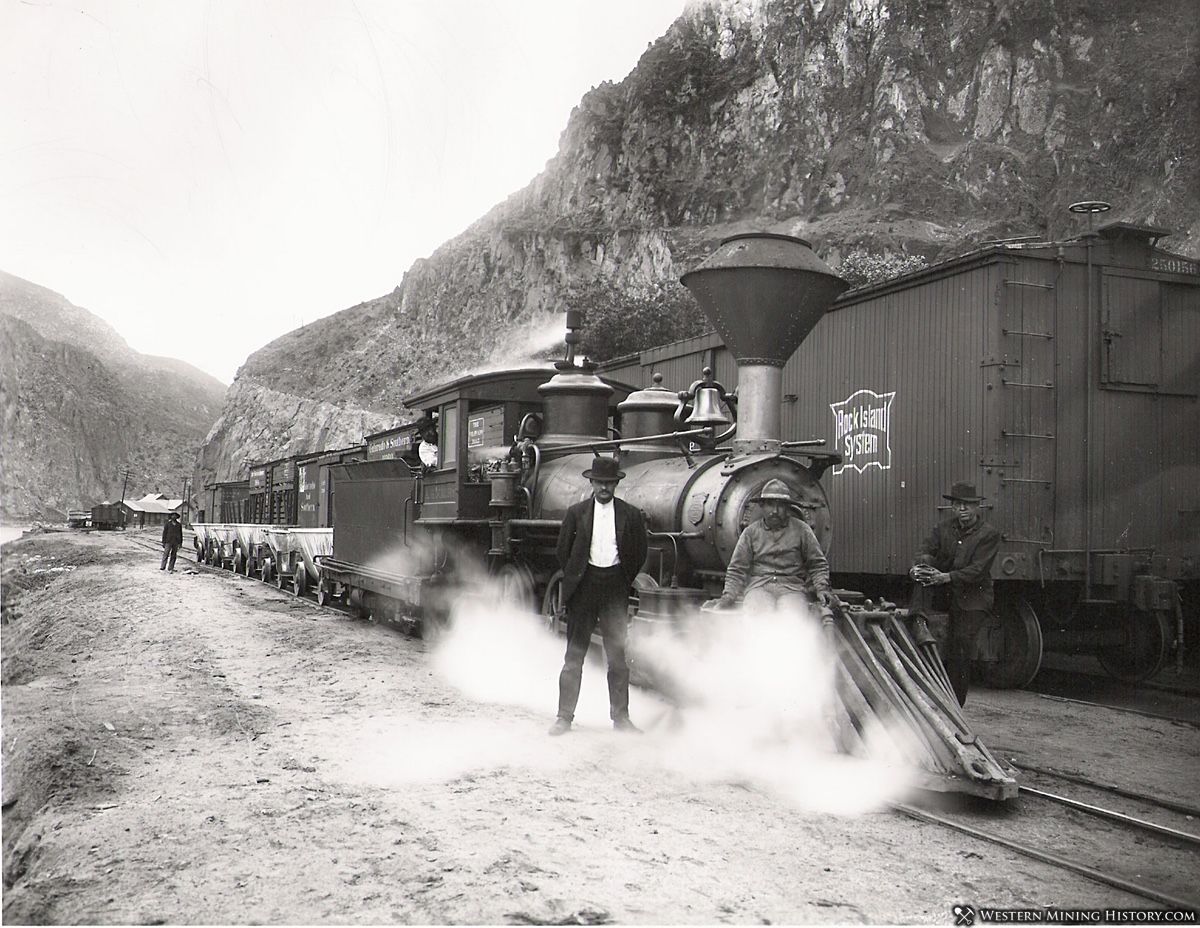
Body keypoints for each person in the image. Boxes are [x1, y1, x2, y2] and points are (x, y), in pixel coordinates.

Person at [549, 456, 648, 736]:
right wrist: (577, 576)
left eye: (609, 483)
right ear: (591, 483)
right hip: (584, 588)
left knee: (617, 657)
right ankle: (564, 717)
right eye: (600, 482)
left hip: (614, 588)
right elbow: (562, 551)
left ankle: (621, 719)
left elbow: (639, 552)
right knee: (574, 657)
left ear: (616, 484)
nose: (604, 488)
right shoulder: (576, 513)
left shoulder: (631, 514)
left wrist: (623, 578)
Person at [909, 481, 1001, 706]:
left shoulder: (988, 534)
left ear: (977, 507)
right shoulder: (943, 529)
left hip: (973, 598)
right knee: (922, 577)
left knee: (960, 644)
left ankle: (954, 705)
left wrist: (946, 577)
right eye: (958, 505)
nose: (963, 509)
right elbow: (924, 550)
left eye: (968, 505)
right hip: (947, 592)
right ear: (952, 508)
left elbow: (977, 571)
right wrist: (922, 565)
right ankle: (918, 620)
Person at [704, 479, 833, 613]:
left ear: (788, 508)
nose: (775, 511)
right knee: (757, 615)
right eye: (770, 505)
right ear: (762, 506)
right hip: (759, 588)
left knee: (794, 618)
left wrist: (822, 588)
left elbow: (817, 564)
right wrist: (728, 596)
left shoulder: (802, 530)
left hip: (792, 589)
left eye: (781, 506)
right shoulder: (750, 532)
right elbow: (737, 568)